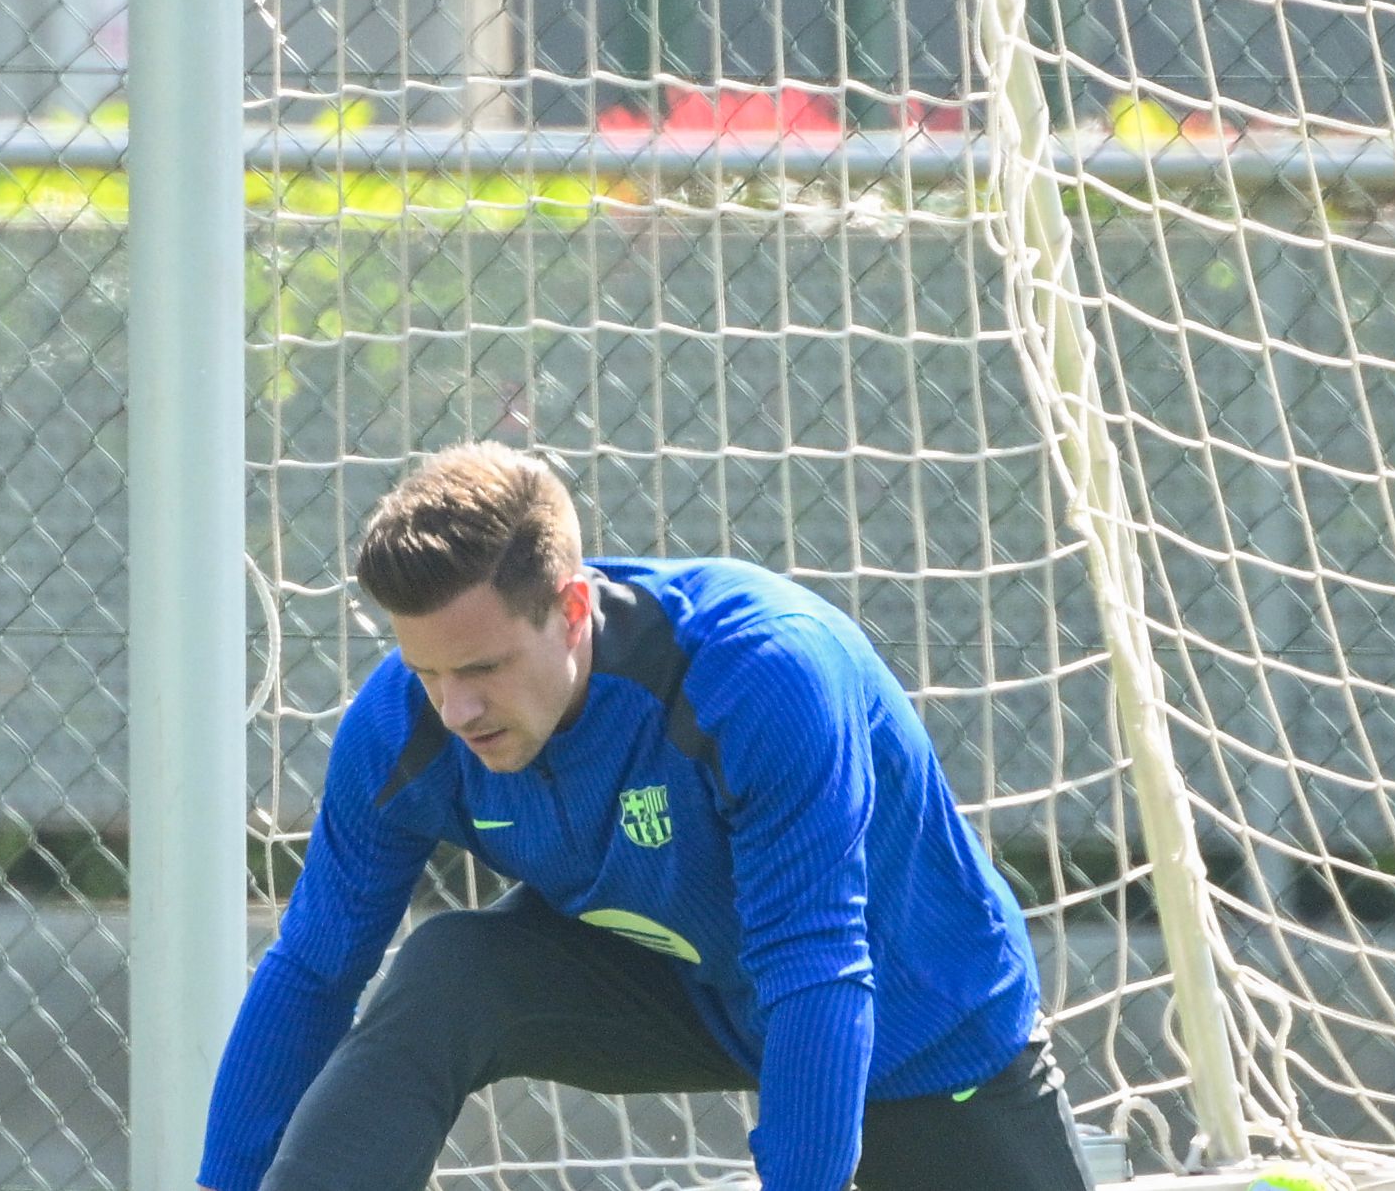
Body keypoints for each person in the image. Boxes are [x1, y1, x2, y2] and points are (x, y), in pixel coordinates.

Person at [203, 442, 1087, 1191]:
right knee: (451, 970)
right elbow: (314, 970)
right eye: (427, 671)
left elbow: (816, 967)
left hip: (917, 1026)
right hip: (689, 990)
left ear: (573, 607)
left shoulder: (758, 674)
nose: (455, 709)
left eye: (482, 668)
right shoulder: (402, 725)